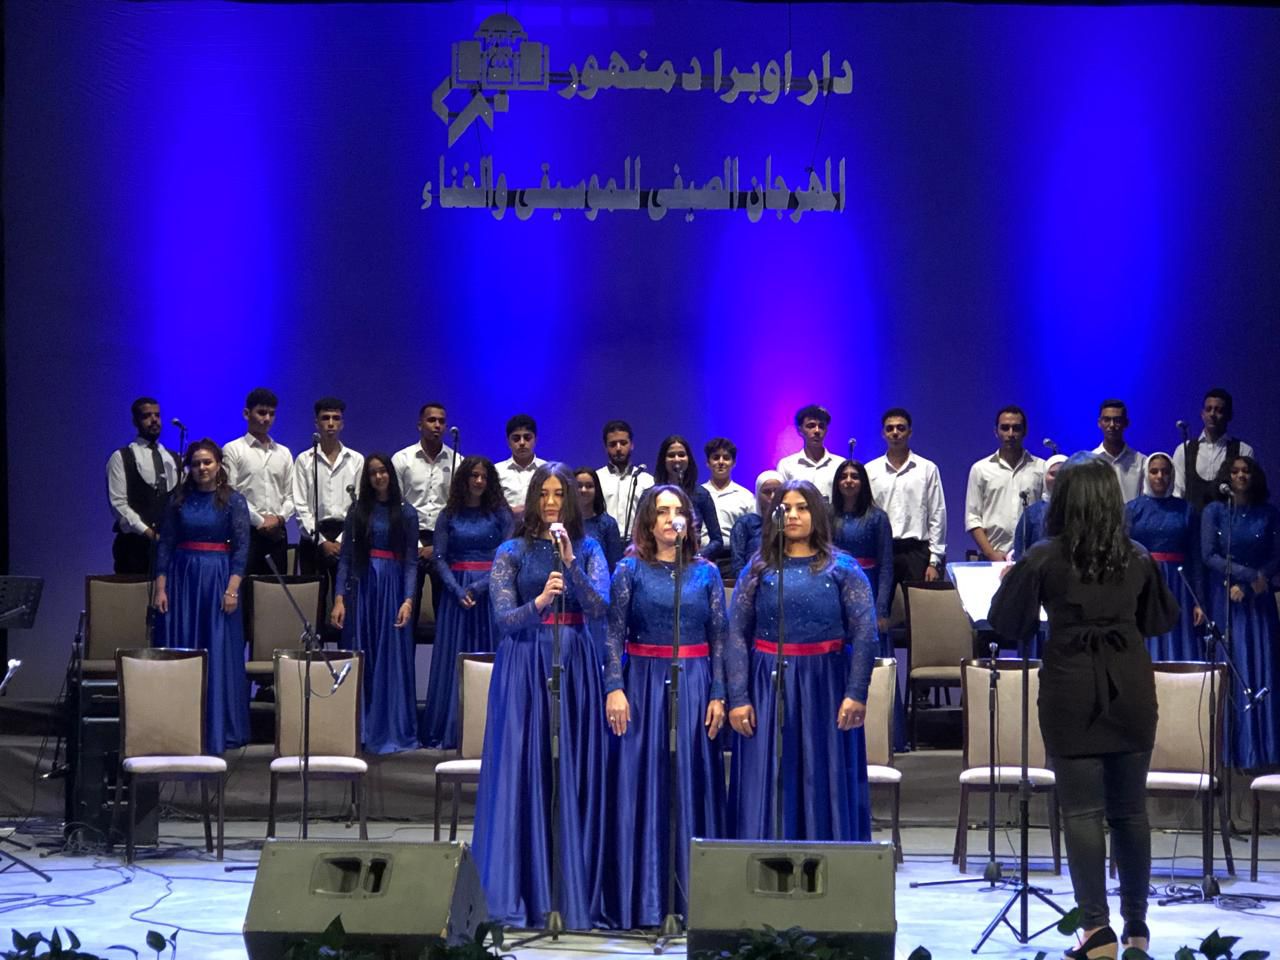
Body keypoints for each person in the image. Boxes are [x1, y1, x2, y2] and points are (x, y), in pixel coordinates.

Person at [989, 455, 1179, 959]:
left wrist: (1014, 580)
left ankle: (1096, 931)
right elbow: (1159, 621)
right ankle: (1137, 929)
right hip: (1130, 687)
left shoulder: (1044, 556)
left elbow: (1006, 623)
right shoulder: (1137, 556)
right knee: (1130, 811)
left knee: (1081, 812)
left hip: (1071, 688)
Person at [473, 463, 610, 930]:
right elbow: (503, 619)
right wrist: (540, 603)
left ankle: (568, 890)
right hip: (524, 663)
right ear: (533, 499)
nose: (551, 502)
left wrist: (570, 564)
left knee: (569, 766)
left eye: (559, 494)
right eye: (544, 493)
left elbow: (600, 607)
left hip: (575, 662)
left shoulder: (589, 548)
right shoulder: (510, 551)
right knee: (523, 767)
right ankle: (520, 890)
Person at [601, 486, 727, 929]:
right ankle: (643, 900)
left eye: (679, 511)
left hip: (693, 683)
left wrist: (719, 692)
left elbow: (719, 637)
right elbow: (613, 635)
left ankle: (694, 899)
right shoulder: (629, 569)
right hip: (642, 684)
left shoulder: (707, 572)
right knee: (643, 784)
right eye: (662, 511)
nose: (672, 518)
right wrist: (614, 687)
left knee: (689, 780)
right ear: (649, 522)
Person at [725, 480, 878, 841]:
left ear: (817, 513)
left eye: (802, 507)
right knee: (771, 775)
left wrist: (856, 692)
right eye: (785, 508)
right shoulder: (759, 569)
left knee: (823, 775)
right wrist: (739, 697)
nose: (793, 515)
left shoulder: (842, 568)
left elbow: (865, 632)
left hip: (826, 685)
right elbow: (736, 633)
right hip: (768, 684)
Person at [152, 440, 251, 754]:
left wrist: (232, 588)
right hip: (182, 580)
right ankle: (179, 726)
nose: (202, 468)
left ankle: (217, 726)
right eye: (196, 464)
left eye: (207, 462)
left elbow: (241, 548)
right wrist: (160, 587)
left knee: (216, 648)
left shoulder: (234, 501)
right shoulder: (178, 499)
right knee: (183, 646)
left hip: (218, 579)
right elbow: (166, 544)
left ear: (218, 464)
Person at [420, 456, 513, 750]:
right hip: (456, 595)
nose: (479, 481)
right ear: (464, 479)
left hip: (490, 591)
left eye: (484, 477)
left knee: (490, 655)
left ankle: (489, 727)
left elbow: (508, 557)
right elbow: (439, 558)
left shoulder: (501, 514)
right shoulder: (448, 515)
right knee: (454, 657)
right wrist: (456, 589)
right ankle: (453, 727)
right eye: (474, 476)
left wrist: (480, 586)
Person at [330, 454, 419, 755]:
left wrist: (408, 600)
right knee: (362, 652)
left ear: (391, 475)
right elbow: (345, 558)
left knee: (389, 657)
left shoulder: (406, 512)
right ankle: (359, 728)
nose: (379, 477)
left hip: (392, 588)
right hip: (363, 587)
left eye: (383, 471)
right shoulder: (357, 511)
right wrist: (339, 598)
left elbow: (411, 561)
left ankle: (388, 727)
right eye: (372, 473)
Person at [1200, 456, 1280, 769]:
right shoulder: (1215, 511)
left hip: (1259, 599)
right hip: (1226, 597)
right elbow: (1209, 555)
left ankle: (1265, 751)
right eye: (1234, 472)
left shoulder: (1268, 512)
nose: (1240, 476)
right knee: (1232, 666)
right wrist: (1244, 577)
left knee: (1263, 665)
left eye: (1246, 471)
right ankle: (1232, 752)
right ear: (1226, 477)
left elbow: (1277, 556)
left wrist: (1254, 582)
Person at [291, 397, 363, 636]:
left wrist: (342, 540)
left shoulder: (356, 460)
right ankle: (314, 653)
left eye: (336, 418)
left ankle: (348, 653)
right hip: (314, 539)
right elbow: (300, 505)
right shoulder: (304, 460)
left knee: (347, 604)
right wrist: (322, 541)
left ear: (342, 423)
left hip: (346, 537)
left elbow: (359, 505)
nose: (330, 423)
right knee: (314, 607)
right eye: (325, 418)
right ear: (316, 423)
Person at [1126, 453, 1205, 662]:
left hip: (1178, 585)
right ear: (1146, 475)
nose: (1160, 476)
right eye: (1154, 471)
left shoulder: (1186, 510)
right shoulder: (1132, 509)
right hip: (1143, 582)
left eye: (1165, 471)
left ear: (1172, 475)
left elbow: (1196, 557)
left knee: (1178, 639)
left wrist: (1199, 600)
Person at [865, 407, 948, 586]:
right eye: (890, 428)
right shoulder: (870, 470)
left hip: (916, 552)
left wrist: (935, 560)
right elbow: (867, 514)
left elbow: (937, 514)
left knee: (918, 603)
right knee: (881, 602)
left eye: (901, 428)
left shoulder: (927, 468)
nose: (895, 433)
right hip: (882, 549)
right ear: (883, 434)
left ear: (910, 432)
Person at [392, 402, 454, 619]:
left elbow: (457, 510)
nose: (437, 425)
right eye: (431, 420)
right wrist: (416, 546)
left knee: (444, 610)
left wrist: (437, 546)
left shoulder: (457, 461)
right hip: (410, 541)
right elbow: (396, 505)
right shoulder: (402, 459)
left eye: (441, 421)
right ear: (420, 425)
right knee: (406, 607)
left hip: (442, 543)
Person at [223, 387, 294, 575]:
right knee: (244, 586)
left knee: (275, 587)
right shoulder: (233, 449)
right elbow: (231, 493)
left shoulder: (284, 453)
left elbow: (291, 495)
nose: (267, 418)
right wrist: (260, 521)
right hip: (246, 531)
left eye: (272, 414)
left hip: (277, 533)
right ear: (246, 414)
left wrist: (279, 519)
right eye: (262, 413)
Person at [107, 396, 181, 575]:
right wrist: (148, 533)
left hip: (170, 548)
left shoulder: (173, 458)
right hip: (134, 548)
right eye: (147, 416)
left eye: (157, 415)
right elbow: (119, 505)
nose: (154, 420)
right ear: (135, 421)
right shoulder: (122, 457)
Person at [964, 405, 1045, 561]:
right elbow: (973, 518)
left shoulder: (1041, 468)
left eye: (1016, 428)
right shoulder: (981, 469)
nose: (1010, 434)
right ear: (996, 432)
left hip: (1032, 557)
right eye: (1005, 428)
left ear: (1025, 431)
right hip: (993, 556)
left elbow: (1047, 513)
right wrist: (991, 554)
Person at [830, 460, 894, 635]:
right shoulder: (828, 515)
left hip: (868, 586)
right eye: (843, 477)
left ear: (863, 482)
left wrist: (881, 609)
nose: (848, 481)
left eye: (854, 477)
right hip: (836, 586)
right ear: (837, 483)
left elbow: (886, 566)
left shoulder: (878, 517)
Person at [1173, 388, 1256, 509]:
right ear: (1202, 414)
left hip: (1228, 519)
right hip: (1191, 519)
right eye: (1208, 409)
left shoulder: (1243, 450)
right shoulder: (1183, 450)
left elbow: (1245, 494)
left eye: (1219, 410)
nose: (1212, 414)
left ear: (1229, 415)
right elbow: (1177, 492)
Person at [653, 434, 724, 560]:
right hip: (657, 562)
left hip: (691, 561)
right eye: (671, 455)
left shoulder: (701, 494)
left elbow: (717, 540)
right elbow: (639, 535)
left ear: (688, 459)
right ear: (663, 460)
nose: (677, 459)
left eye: (681, 455)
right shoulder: (650, 495)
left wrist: (698, 556)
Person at [598, 419, 653, 540]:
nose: (618, 448)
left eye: (623, 443)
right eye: (613, 444)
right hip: (604, 543)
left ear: (632, 445)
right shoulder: (597, 479)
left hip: (638, 544)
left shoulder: (647, 481)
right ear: (605, 447)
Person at [701, 438, 756, 559]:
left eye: (726, 458)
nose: (721, 462)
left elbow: (753, 533)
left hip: (734, 558)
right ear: (708, 462)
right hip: (703, 558)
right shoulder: (698, 494)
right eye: (716, 457)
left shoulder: (745, 496)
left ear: (734, 463)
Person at [776, 404, 842, 502]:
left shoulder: (839, 464)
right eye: (811, 426)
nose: (817, 431)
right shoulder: (787, 465)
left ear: (826, 430)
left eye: (821, 426)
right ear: (800, 430)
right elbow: (781, 499)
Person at [729, 470, 783, 578]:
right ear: (758, 494)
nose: (772, 496)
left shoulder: (791, 523)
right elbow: (737, 565)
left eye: (777, 491)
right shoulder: (746, 524)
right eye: (767, 492)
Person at [1013, 454, 1067, 557]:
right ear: (1044, 476)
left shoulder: (1078, 510)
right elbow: (1020, 550)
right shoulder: (1032, 513)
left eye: (1063, 474)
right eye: (1053, 474)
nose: (1058, 478)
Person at [1092, 400, 1146, 503]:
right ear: (1099, 423)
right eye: (1107, 420)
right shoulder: (1090, 462)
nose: (1112, 425)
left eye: (1117, 420)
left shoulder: (1141, 462)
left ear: (1126, 423)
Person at [495, 414, 545, 520]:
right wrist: (508, 512)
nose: (522, 443)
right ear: (508, 441)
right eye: (516, 438)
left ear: (535, 439)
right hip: (507, 527)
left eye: (527, 438)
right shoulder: (497, 471)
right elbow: (490, 506)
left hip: (540, 525)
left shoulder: (546, 470)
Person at [574, 467, 623, 573]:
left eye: (589, 486)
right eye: (579, 486)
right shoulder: (563, 522)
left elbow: (615, 565)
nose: (583, 490)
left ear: (596, 490)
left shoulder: (608, 524)